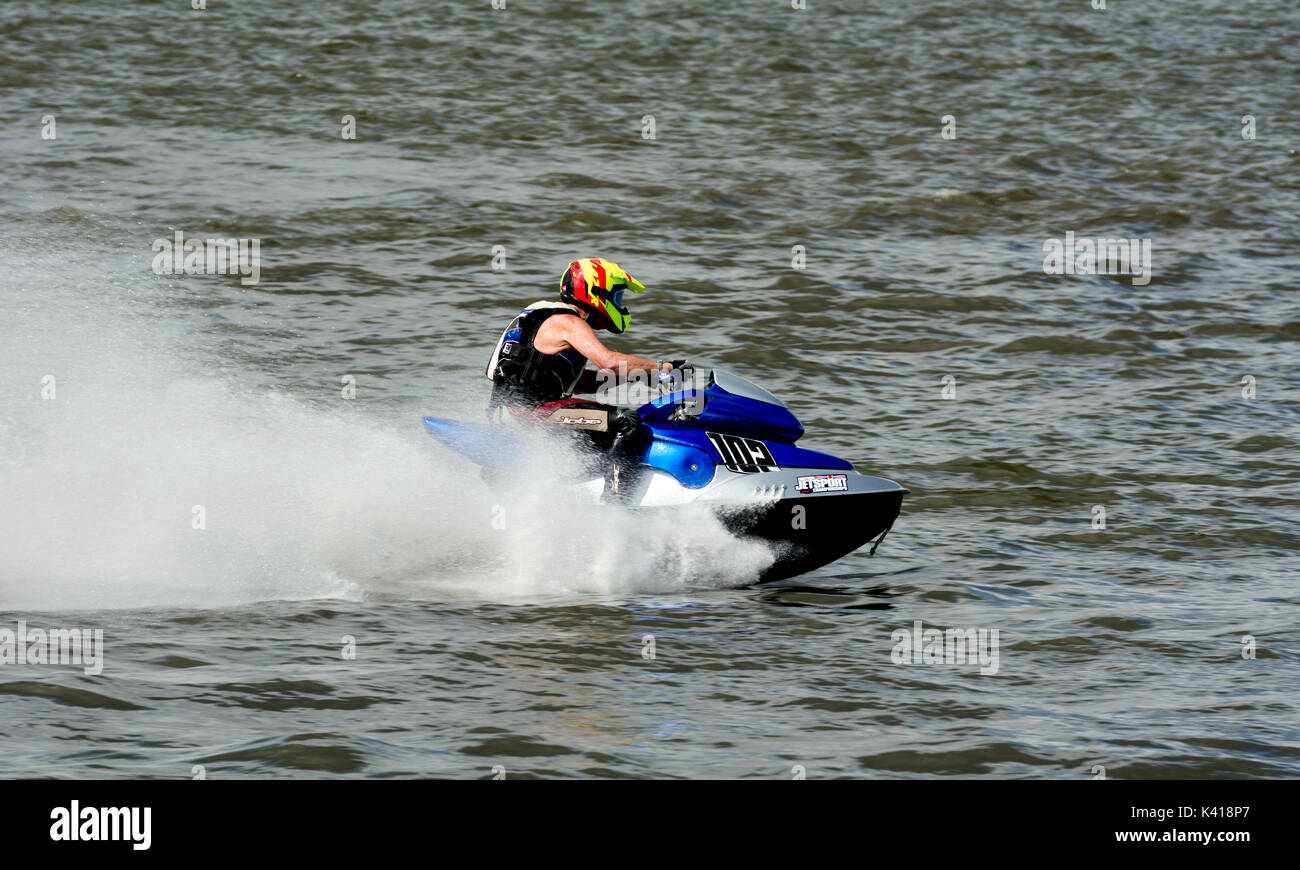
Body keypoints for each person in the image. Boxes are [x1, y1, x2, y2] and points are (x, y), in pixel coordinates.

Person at [485, 258, 684, 500]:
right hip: (529, 413)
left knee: (602, 430)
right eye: (617, 298)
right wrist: (661, 367)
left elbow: (582, 382)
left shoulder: (549, 318)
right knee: (626, 422)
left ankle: (571, 490)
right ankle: (615, 505)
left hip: (516, 411)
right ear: (596, 292)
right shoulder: (567, 322)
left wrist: (639, 375)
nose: (620, 305)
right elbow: (608, 361)